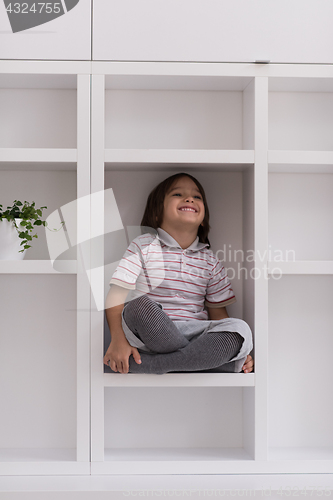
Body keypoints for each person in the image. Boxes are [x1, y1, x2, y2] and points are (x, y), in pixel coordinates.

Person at [104, 173, 254, 375]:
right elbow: (116, 297)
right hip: (150, 334)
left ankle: (153, 365)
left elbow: (218, 316)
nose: (190, 199)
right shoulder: (144, 245)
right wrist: (117, 340)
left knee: (241, 329)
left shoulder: (210, 260)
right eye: (178, 194)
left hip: (195, 335)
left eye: (197, 197)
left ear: (203, 219)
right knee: (138, 306)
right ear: (157, 213)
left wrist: (233, 346)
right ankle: (203, 362)